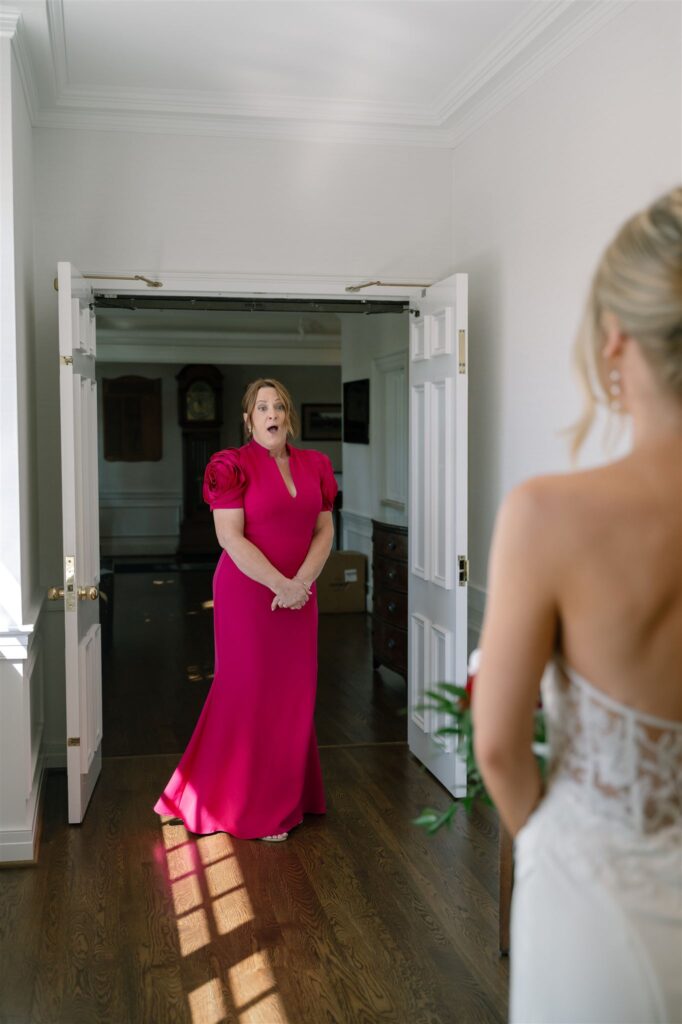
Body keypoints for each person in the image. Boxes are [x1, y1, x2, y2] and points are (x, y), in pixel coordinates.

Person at [472, 187, 682, 1023]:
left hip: (595, 909)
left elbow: (496, 745)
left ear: (617, 342)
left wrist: (558, 847)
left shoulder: (548, 514)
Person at [154, 377, 337, 841]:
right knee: (249, 693)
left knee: (294, 695)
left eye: (279, 406)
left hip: (299, 597)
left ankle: (289, 793)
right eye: (262, 408)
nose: (272, 414)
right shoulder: (230, 466)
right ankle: (252, 807)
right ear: (247, 418)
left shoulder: (315, 464)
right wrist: (281, 583)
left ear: (288, 415)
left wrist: (302, 584)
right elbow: (229, 538)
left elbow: (324, 530)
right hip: (249, 596)